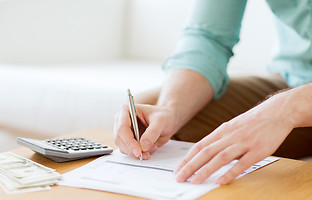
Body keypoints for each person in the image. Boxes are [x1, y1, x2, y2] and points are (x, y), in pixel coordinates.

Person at [113, 0, 312, 185]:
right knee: (147, 120)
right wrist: (171, 109)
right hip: (294, 78)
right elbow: (209, 36)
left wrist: (289, 108)